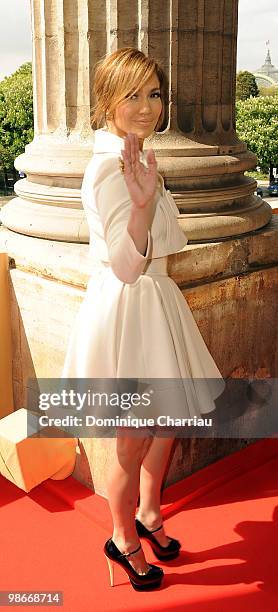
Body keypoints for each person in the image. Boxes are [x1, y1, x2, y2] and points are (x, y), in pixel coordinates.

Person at [62, 47, 226, 591]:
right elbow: (128, 266)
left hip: (153, 304)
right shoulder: (114, 167)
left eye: (153, 94)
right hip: (131, 308)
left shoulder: (137, 155)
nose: (147, 106)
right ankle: (122, 537)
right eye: (131, 94)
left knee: (168, 419)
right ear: (106, 100)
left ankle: (149, 513)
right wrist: (138, 207)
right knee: (132, 440)